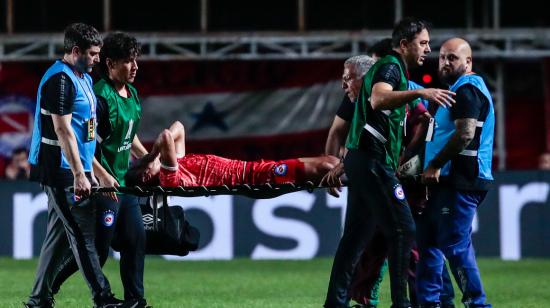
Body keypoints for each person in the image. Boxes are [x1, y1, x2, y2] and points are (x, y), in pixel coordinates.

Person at [323, 18, 456, 308]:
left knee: (355, 239)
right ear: (404, 44)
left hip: (364, 160)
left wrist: (349, 163)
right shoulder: (391, 67)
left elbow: (364, 119)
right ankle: (401, 303)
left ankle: (335, 303)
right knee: (404, 230)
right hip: (373, 163)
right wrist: (422, 92)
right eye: (423, 43)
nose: (428, 49)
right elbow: (379, 100)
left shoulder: (387, 70)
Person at [48, 32, 153, 308]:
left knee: (136, 239)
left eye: (136, 61)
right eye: (128, 61)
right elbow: (87, 143)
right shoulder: (99, 98)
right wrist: (101, 175)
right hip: (104, 184)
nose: (135, 67)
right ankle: (51, 284)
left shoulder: (132, 94)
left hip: (123, 182)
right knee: (99, 250)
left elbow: (129, 137)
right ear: (110, 63)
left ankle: (136, 301)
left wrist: (146, 158)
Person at [25, 23, 123, 308]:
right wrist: (81, 175)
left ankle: (38, 299)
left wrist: (101, 173)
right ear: (75, 51)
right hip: (59, 169)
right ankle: (102, 297)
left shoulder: (84, 79)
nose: (96, 59)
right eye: (92, 54)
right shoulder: (60, 81)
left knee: (57, 238)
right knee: (82, 234)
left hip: (74, 167)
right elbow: (63, 131)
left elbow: (84, 136)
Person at [417, 37, 494, 307]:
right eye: (442, 57)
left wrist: (435, 164)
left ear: (468, 62)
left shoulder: (468, 90)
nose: (445, 62)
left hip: (461, 179)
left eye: (453, 57)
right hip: (447, 181)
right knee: (427, 241)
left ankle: (477, 303)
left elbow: (465, 134)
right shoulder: (456, 90)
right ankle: (433, 302)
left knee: (455, 246)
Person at [126, 121, 339, 189]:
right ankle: (357, 174)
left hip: (254, 170)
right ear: (146, 176)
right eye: (144, 164)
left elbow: (178, 128)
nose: (148, 159)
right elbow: (165, 136)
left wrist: (150, 158)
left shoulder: (176, 164)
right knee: (323, 167)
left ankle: (349, 170)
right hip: (254, 179)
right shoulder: (169, 179)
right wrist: (151, 156)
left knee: (327, 161)